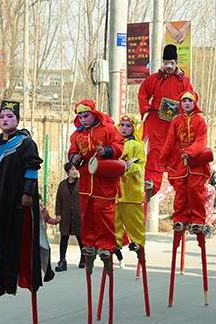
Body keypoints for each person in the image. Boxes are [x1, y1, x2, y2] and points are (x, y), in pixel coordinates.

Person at [0, 100, 53, 297]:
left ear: (18, 120)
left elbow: (31, 168)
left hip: (16, 199)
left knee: (16, 239)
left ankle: (16, 276)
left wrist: (28, 193)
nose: (5, 120)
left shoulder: (25, 142)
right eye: (2, 116)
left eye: (10, 116)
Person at [67, 99, 124, 266]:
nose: (84, 119)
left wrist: (106, 151)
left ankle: (106, 245)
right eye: (81, 116)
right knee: (87, 213)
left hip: (104, 179)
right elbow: (72, 151)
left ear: (94, 114)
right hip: (86, 180)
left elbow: (119, 147)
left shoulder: (109, 129)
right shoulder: (77, 135)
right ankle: (89, 244)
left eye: (86, 115)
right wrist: (74, 158)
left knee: (104, 213)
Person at [138, 44, 194, 196]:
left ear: (176, 63)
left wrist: (183, 112)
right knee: (155, 154)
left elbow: (190, 98)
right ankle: (150, 185)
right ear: (163, 62)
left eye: (172, 63)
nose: (169, 66)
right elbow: (143, 92)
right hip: (157, 123)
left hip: (175, 127)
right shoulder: (154, 79)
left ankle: (180, 186)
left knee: (175, 156)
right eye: (166, 63)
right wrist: (146, 107)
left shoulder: (184, 81)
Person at [162, 90, 211, 233]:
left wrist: (189, 153)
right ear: (181, 104)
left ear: (194, 103)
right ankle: (180, 218)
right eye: (184, 101)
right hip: (179, 160)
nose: (187, 103)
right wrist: (164, 159)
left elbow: (201, 140)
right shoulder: (176, 121)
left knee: (195, 190)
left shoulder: (200, 120)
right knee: (180, 191)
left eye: (190, 101)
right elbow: (170, 141)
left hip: (196, 160)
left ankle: (197, 220)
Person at [114, 114, 147, 255]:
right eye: (122, 125)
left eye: (128, 126)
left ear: (133, 128)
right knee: (114, 221)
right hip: (115, 191)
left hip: (131, 191)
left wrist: (127, 167)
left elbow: (140, 167)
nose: (124, 128)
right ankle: (115, 243)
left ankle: (137, 243)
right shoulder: (113, 144)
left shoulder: (137, 146)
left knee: (134, 220)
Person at [55, 162, 83, 271]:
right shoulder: (62, 185)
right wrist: (58, 214)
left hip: (78, 216)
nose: (75, 171)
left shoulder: (81, 183)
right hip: (65, 216)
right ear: (67, 172)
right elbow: (59, 201)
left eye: (76, 169)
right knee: (64, 238)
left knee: (81, 238)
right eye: (72, 169)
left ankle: (83, 259)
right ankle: (62, 261)